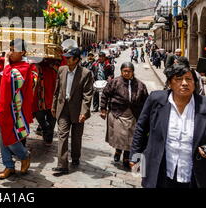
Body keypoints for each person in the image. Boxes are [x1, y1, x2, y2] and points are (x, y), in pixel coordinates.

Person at [130, 63, 206, 188]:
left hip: (195, 175)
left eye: (189, 79)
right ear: (170, 83)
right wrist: (134, 156)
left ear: (195, 83)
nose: (184, 83)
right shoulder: (156, 100)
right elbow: (141, 128)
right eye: (179, 79)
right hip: (161, 171)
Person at [0, 39, 35, 179]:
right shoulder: (8, 64)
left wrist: (6, 62)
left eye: (14, 50)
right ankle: (8, 165)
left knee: (9, 135)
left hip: (16, 108)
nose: (10, 53)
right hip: (3, 105)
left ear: (23, 52)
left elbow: (10, 79)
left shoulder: (25, 66)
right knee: (2, 136)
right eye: (10, 49)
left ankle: (24, 155)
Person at [51, 48, 94, 176]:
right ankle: (62, 165)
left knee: (76, 137)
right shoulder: (61, 70)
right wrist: (53, 106)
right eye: (66, 57)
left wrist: (84, 112)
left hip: (78, 110)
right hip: (63, 108)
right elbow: (57, 89)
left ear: (76, 59)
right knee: (62, 135)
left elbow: (87, 95)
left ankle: (75, 157)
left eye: (69, 57)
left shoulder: (85, 73)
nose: (66, 59)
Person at [100, 62, 149, 169]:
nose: (127, 73)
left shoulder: (140, 85)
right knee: (120, 136)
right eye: (124, 71)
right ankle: (118, 151)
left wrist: (147, 114)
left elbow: (146, 100)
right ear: (121, 71)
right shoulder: (114, 82)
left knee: (130, 137)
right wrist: (103, 109)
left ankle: (126, 157)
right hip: (118, 113)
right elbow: (105, 94)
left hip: (133, 114)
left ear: (133, 72)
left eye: (129, 71)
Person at [33, 60, 58, 145]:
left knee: (52, 120)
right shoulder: (35, 67)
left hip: (53, 99)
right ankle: (45, 129)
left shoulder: (56, 68)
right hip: (39, 100)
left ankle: (48, 138)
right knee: (40, 117)